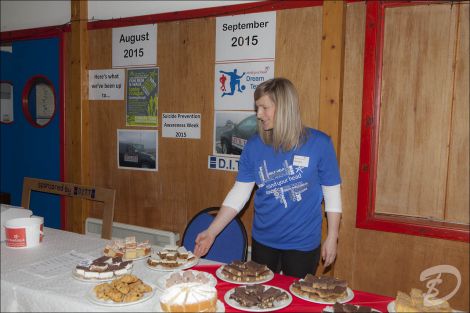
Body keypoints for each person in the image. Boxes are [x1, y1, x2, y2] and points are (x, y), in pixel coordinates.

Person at [195, 77, 342, 278]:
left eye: (264, 108)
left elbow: (332, 193)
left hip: (302, 244)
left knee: (295, 302)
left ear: (284, 108)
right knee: (259, 298)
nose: (259, 114)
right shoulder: (254, 145)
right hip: (263, 241)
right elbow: (239, 193)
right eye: (257, 108)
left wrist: (332, 236)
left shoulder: (320, 144)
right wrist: (211, 232)